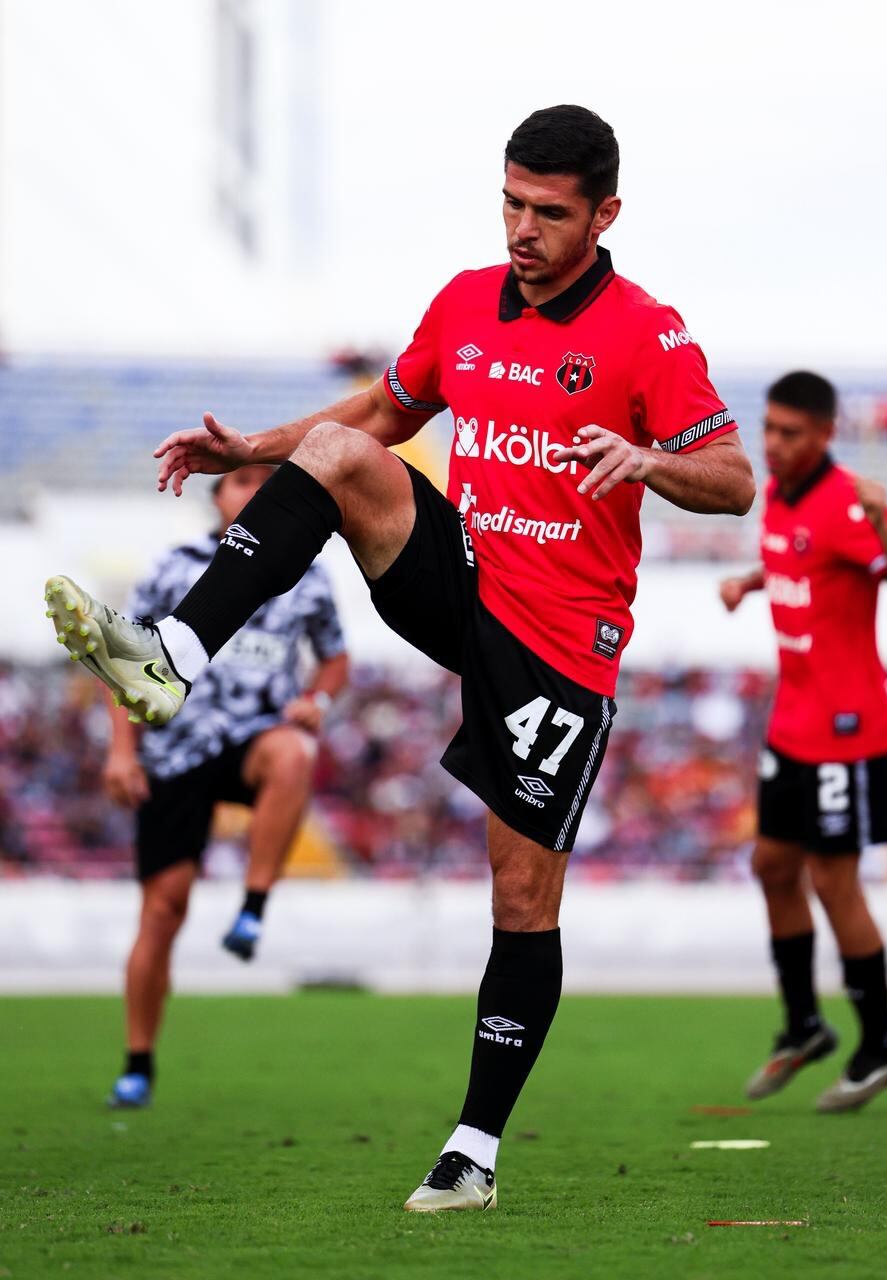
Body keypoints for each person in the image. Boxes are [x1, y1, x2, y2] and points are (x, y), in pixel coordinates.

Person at [45, 105, 755, 1206]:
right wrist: (252, 447)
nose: (522, 228)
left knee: (521, 898)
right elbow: (384, 406)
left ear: (604, 213)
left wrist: (647, 458)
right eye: (511, 203)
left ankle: (474, 1147)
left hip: (559, 647)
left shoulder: (647, 336)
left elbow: (733, 476)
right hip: (465, 579)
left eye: (548, 213)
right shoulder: (467, 301)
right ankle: (175, 650)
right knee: (337, 450)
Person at [96, 464, 349, 1108]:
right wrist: (122, 751)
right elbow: (121, 660)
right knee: (162, 908)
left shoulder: (307, 576)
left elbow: (336, 655)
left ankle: (253, 907)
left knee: (294, 751)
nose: (254, 493)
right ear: (216, 498)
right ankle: (138, 1061)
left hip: (253, 736)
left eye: (267, 485)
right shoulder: (175, 567)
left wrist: (318, 697)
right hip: (176, 750)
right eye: (241, 483)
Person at [719, 371, 887, 1112]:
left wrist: (879, 522)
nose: (773, 445)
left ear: (825, 435)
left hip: (849, 729)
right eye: (769, 429)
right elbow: (796, 560)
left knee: (832, 882)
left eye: (790, 433)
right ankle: (804, 1026)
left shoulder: (851, 503)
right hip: (793, 722)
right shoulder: (776, 493)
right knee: (772, 865)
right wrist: (752, 581)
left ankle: (882, 1046)